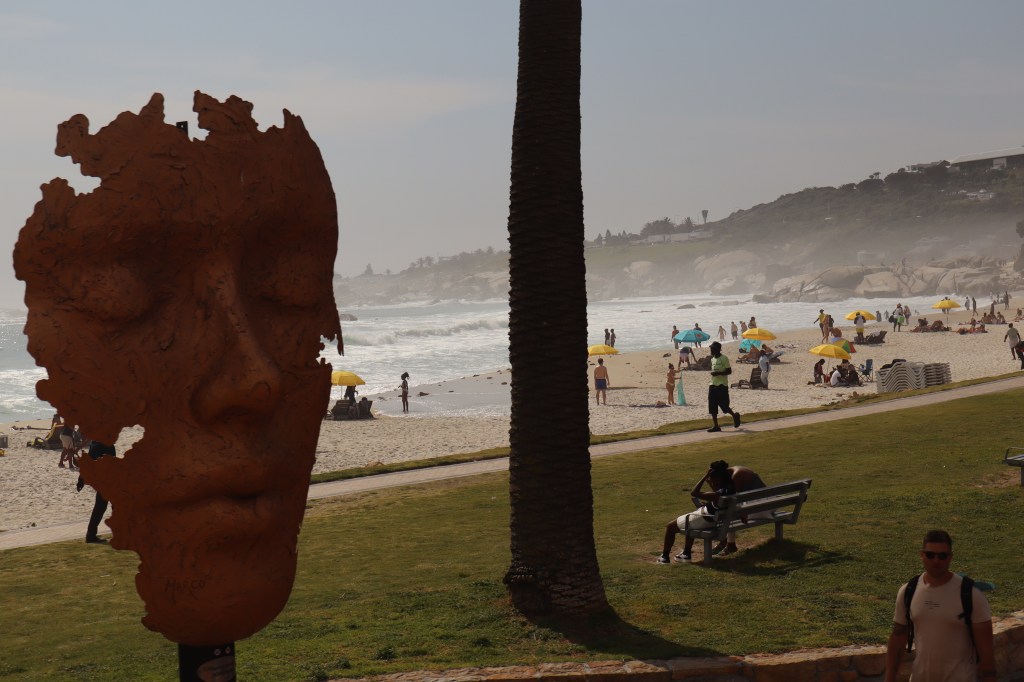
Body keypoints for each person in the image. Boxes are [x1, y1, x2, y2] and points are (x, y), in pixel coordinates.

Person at [884, 530, 995, 682]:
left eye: (942, 556)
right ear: (921, 555)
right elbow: (898, 638)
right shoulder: (908, 591)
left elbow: (987, 653)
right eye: (930, 555)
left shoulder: (971, 595)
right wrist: (889, 678)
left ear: (950, 557)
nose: (936, 560)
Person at [657, 460, 735, 563]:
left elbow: (694, 492)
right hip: (715, 520)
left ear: (717, 477)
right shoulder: (730, 489)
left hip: (705, 520)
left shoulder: (717, 495)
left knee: (670, 526)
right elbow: (717, 497)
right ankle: (686, 554)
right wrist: (708, 504)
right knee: (690, 521)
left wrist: (705, 476)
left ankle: (664, 557)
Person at [76, 440, 116, 544]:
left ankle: (91, 534)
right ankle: (92, 535)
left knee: (101, 507)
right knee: (107, 507)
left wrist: (81, 480)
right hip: (107, 481)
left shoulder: (95, 444)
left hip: (103, 481)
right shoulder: (105, 445)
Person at [707, 341, 740, 432]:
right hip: (712, 384)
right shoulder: (712, 359)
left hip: (722, 385)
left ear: (717, 350)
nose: (711, 350)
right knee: (712, 406)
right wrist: (715, 374)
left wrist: (718, 373)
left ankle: (735, 416)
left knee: (724, 406)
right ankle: (716, 426)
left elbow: (729, 371)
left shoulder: (724, 358)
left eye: (712, 349)